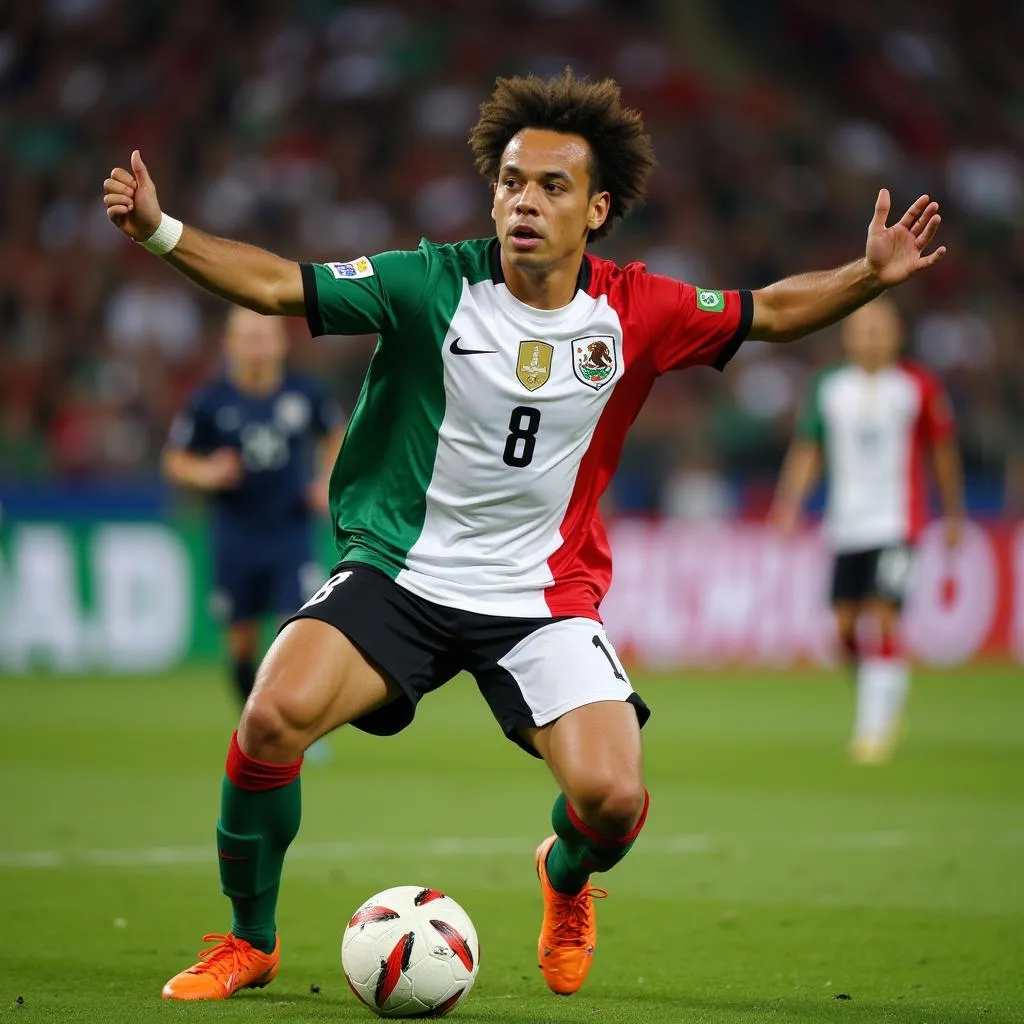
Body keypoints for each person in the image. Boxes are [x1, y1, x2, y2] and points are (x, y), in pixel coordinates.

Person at [103, 68, 947, 1001]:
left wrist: (870, 274)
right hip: (402, 574)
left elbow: (774, 310)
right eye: (510, 182)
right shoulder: (428, 284)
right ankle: (250, 940)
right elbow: (273, 287)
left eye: (551, 187)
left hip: (542, 599)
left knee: (614, 802)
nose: (524, 202)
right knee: (270, 716)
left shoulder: (636, 310)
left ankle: (564, 875)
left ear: (598, 208)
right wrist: (160, 230)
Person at [771, 298, 964, 764]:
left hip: (899, 524)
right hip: (846, 525)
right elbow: (809, 449)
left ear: (897, 336)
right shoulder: (830, 388)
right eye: (863, 328)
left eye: (880, 328)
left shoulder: (917, 386)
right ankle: (886, 687)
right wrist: (789, 502)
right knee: (841, 633)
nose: (871, 336)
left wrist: (953, 513)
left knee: (882, 618)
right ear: (848, 337)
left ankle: (873, 730)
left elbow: (941, 450)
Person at [163, 306, 345, 710]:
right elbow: (175, 460)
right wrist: (208, 472)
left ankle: (288, 725)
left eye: (264, 336)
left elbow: (337, 435)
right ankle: (255, 723)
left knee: (293, 634)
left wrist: (325, 480)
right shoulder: (210, 401)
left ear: (281, 343)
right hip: (235, 533)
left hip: (290, 531)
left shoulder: (306, 394)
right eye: (248, 337)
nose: (257, 346)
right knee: (241, 645)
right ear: (229, 345)